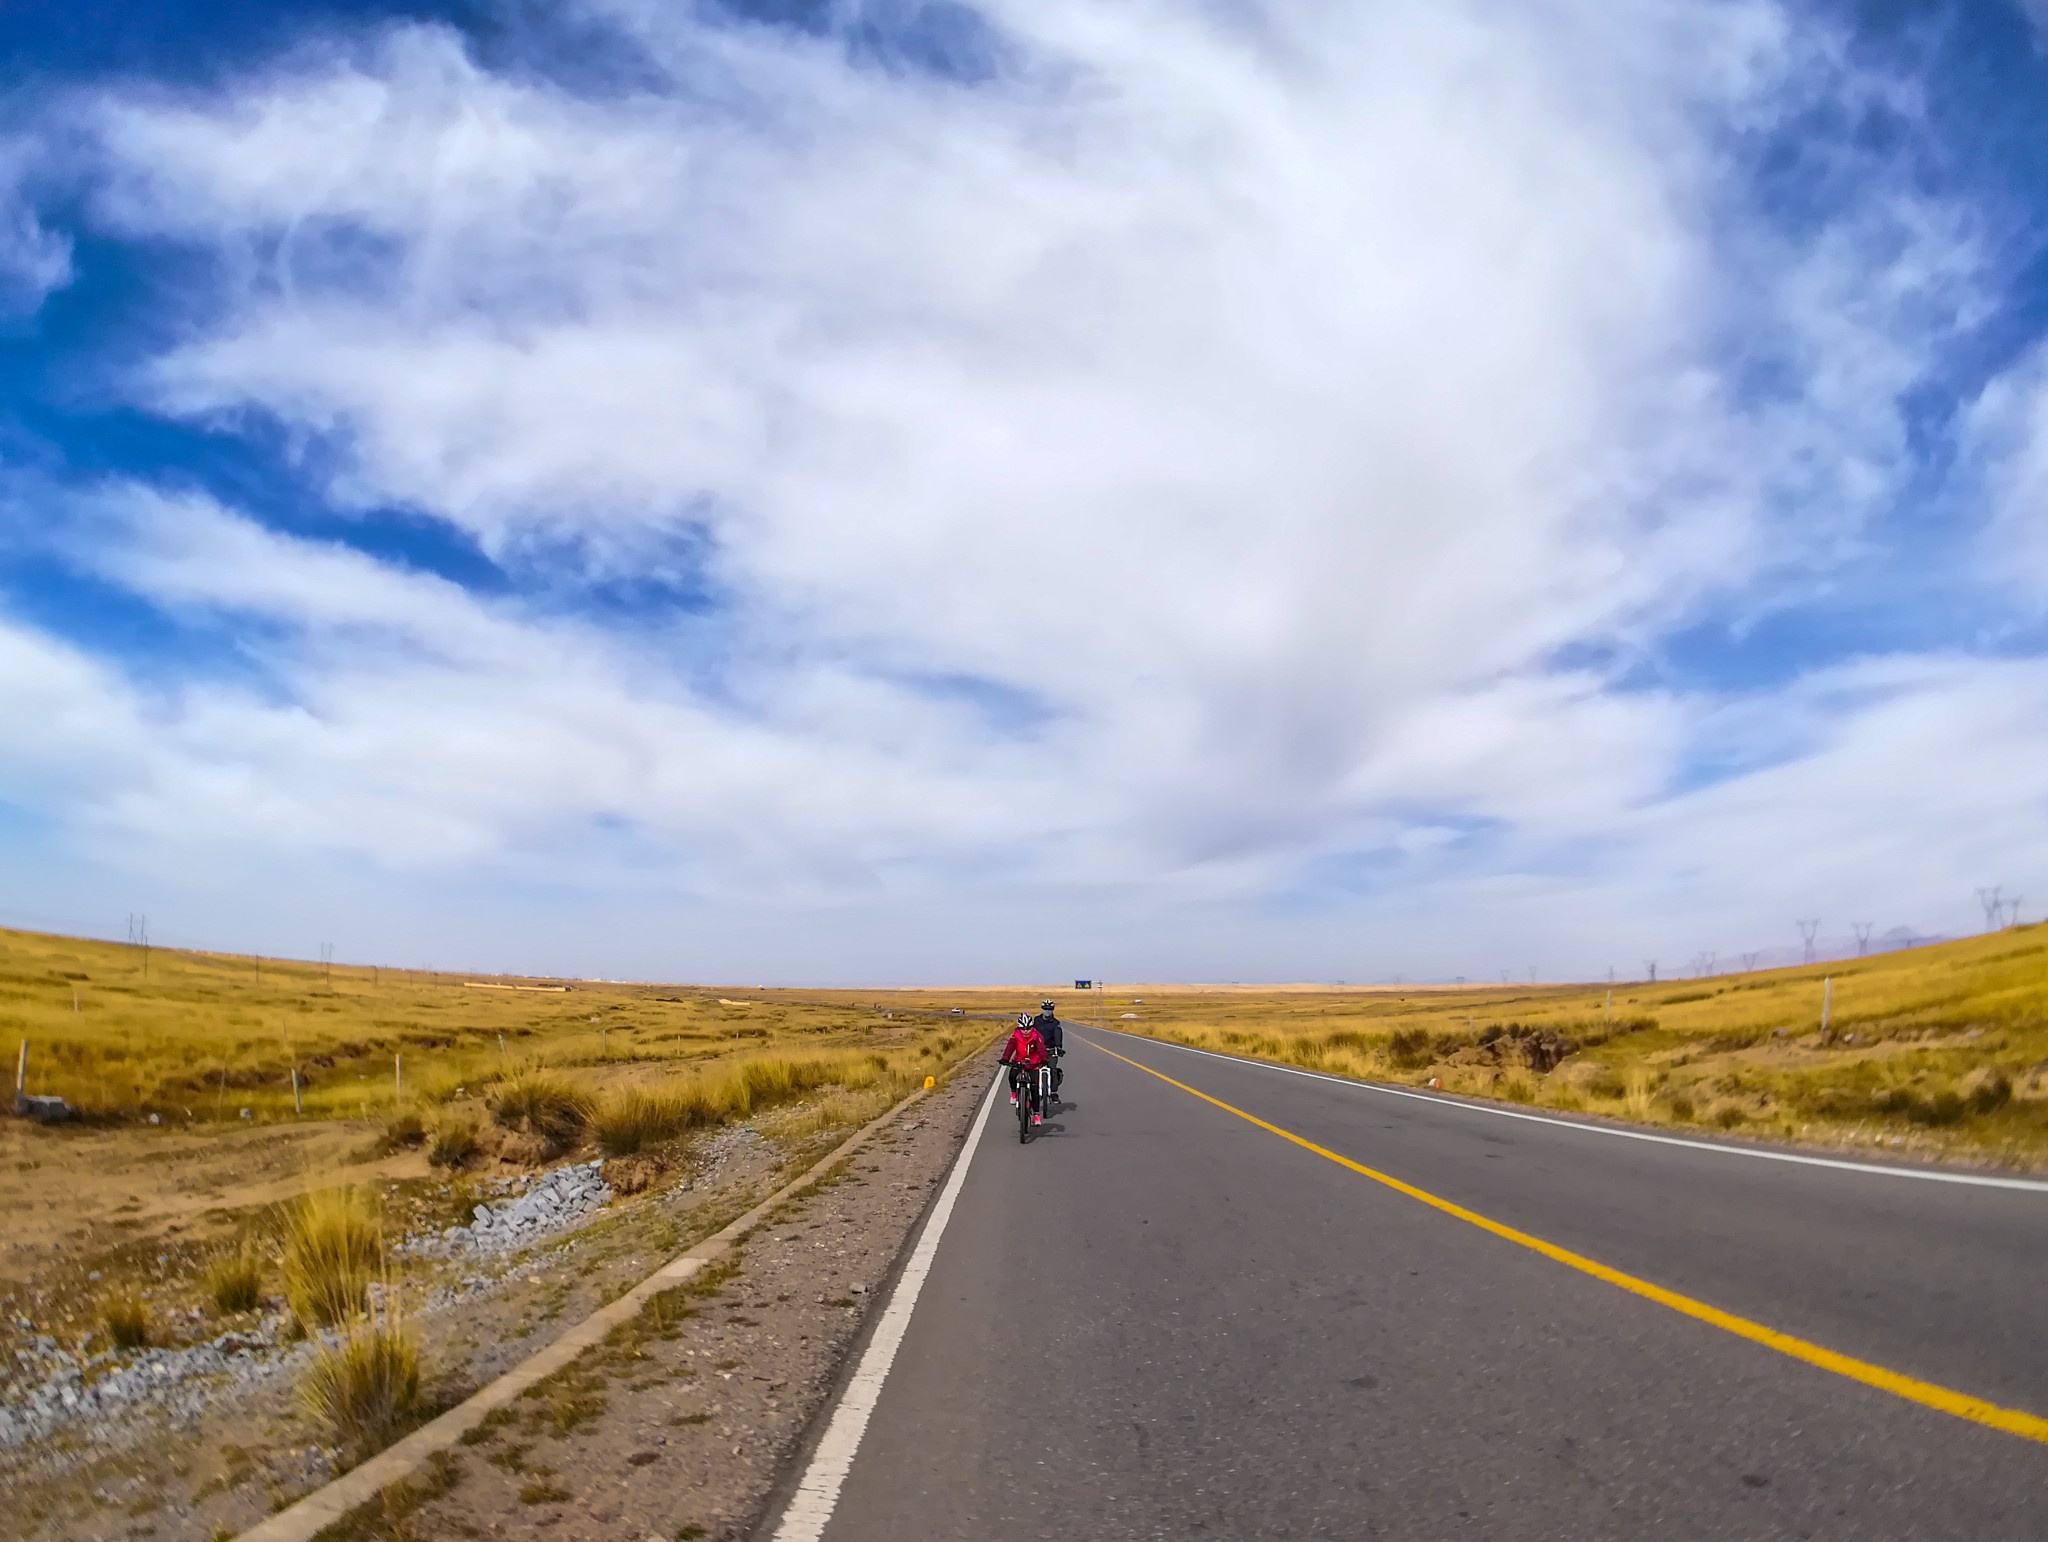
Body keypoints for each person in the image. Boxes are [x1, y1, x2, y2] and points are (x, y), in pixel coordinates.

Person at [1000, 1013, 1049, 1123]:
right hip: (1019, 1061)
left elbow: (1041, 1049)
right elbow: (1010, 1048)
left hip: (1033, 1063)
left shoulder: (1037, 1036)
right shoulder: (1015, 1037)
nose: (1025, 1031)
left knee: (1034, 1088)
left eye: (1028, 1028)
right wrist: (1005, 1058)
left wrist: (1044, 1059)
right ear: (1019, 1028)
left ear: (1032, 1027)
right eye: (1023, 1029)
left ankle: (1036, 1115)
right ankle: (1014, 1092)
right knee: (1012, 1075)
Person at [1033, 998, 1065, 1096]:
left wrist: (1058, 1047)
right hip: (1037, 1049)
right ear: (1042, 1009)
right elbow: (1032, 1033)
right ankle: (1031, 1090)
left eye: (1050, 1009)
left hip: (1051, 1049)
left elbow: (1058, 1034)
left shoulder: (1055, 1023)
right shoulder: (1036, 1020)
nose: (1047, 1011)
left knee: (1053, 1069)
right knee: (1033, 1069)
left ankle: (1054, 1092)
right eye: (1045, 1009)